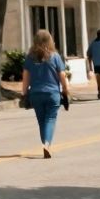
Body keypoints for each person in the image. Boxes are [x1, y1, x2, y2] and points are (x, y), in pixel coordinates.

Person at [22, 29, 71, 159]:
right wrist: (65, 90)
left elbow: (26, 77)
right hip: (52, 93)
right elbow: (62, 75)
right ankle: (47, 145)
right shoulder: (55, 56)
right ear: (50, 40)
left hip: (36, 94)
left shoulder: (30, 58)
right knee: (50, 119)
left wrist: (24, 93)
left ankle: (45, 144)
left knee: (41, 121)